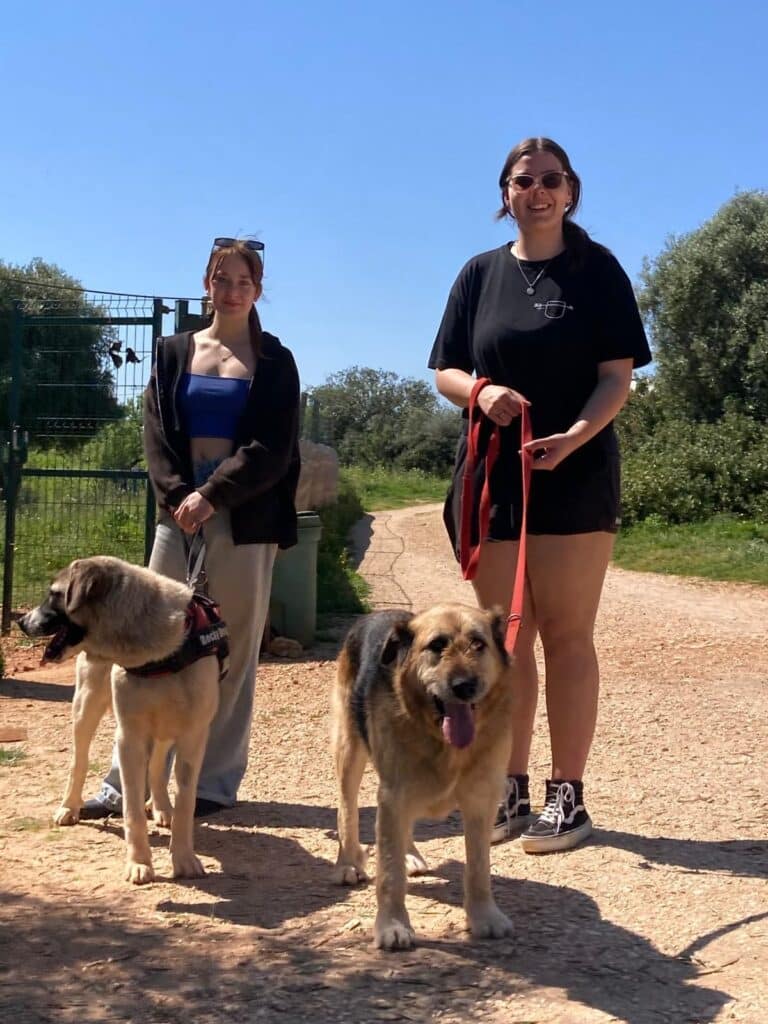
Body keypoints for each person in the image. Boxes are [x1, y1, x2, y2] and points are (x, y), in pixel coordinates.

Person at [428, 138, 651, 853]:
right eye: (525, 181)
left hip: (574, 475)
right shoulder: (479, 275)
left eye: (552, 180)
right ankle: (509, 790)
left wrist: (574, 438)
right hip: (496, 479)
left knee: (567, 635)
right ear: (506, 193)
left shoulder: (598, 271)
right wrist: (483, 390)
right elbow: (445, 371)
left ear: (571, 191)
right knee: (503, 640)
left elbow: (617, 377)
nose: (539, 191)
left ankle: (569, 797)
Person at [82, 237, 300, 819]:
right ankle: (125, 780)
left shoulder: (275, 361)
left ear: (258, 290)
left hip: (245, 523)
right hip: (177, 521)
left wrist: (213, 495)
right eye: (221, 280)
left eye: (243, 283)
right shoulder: (173, 351)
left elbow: (273, 450)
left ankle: (210, 783)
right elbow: (156, 434)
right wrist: (182, 496)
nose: (231, 292)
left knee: (229, 652)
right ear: (207, 284)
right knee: (145, 645)